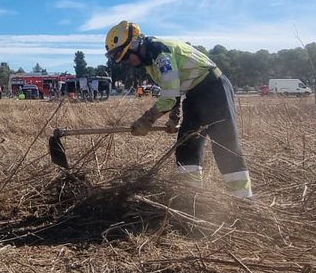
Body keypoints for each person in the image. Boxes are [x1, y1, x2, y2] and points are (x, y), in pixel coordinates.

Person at [104, 20, 253, 198]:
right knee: (186, 144)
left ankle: (243, 199)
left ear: (135, 44)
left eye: (127, 56)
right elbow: (173, 90)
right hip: (194, 93)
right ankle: (192, 197)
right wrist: (174, 118)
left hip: (214, 88)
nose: (129, 61)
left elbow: (168, 96)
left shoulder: (161, 54)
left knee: (224, 143)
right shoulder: (150, 61)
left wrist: (146, 120)